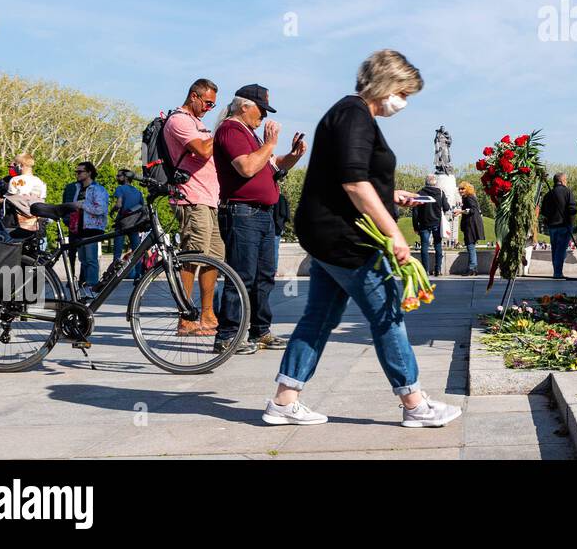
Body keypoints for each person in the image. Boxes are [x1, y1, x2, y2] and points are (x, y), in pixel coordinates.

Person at [262, 49, 461, 429]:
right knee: (387, 315)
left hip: (326, 236)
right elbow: (353, 182)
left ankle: (284, 401)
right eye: (403, 93)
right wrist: (393, 232)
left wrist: (391, 195)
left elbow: (352, 179)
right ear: (386, 83)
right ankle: (414, 403)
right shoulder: (355, 116)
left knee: (319, 317)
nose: (403, 102)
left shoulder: (348, 113)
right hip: (346, 239)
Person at [212, 85, 306, 355]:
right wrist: (271, 144)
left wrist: (292, 156)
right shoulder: (231, 130)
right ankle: (228, 335)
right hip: (242, 213)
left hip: (262, 215)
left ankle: (259, 329)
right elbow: (247, 167)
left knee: (263, 276)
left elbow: (270, 166)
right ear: (245, 106)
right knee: (241, 275)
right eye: (261, 110)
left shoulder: (249, 134)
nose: (264, 116)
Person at [162, 78, 222, 336]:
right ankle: (185, 317)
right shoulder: (179, 120)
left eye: (214, 105)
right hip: (191, 197)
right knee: (192, 255)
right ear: (194, 96)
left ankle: (207, 314)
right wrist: (222, 127)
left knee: (213, 259)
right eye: (208, 102)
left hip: (210, 199)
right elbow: (202, 151)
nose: (209, 107)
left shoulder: (198, 123)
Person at [69, 161, 109, 296]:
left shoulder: (97, 189)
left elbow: (101, 209)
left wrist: (82, 205)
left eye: (80, 172)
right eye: (76, 172)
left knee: (91, 259)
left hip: (92, 228)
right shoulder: (78, 188)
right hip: (79, 228)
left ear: (89, 173)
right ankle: (86, 287)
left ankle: (93, 287)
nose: (77, 174)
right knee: (83, 259)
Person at [411, 174, 450, 277]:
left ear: (425, 182)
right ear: (435, 183)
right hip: (437, 222)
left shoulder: (419, 194)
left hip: (424, 223)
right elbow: (446, 207)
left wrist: (415, 226)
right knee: (438, 245)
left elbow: (415, 212)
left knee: (424, 246)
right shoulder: (440, 193)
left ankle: (425, 270)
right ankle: (438, 270)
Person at [110, 169, 146, 281]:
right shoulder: (138, 191)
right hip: (134, 224)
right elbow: (142, 207)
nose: (116, 177)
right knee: (137, 250)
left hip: (122, 223)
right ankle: (138, 275)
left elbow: (119, 204)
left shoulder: (120, 188)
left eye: (119, 175)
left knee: (117, 250)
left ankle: (114, 275)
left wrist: (112, 210)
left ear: (125, 177)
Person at [540, 172, 576, 280]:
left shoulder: (548, 194)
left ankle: (557, 271)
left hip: (552, 226)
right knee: (561, 250)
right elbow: (572, 208)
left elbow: (544, 211)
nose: (566, 182)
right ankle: (557, 273)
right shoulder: (567, 192)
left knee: (555, 250)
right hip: (564, 226)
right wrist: (570, 220)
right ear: (562, 181)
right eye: (565, 180)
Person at [457, 182, 484, 276]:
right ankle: (474, 269)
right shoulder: (469, 197)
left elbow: (472, 210)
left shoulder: (469, 197)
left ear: (467, 189)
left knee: (470, 246)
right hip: (471, 224)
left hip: (471, 225)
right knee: (470, 246)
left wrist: (461, 211)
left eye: (463, 189)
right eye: (459, 189)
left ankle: (472, 268)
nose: (460, 191)